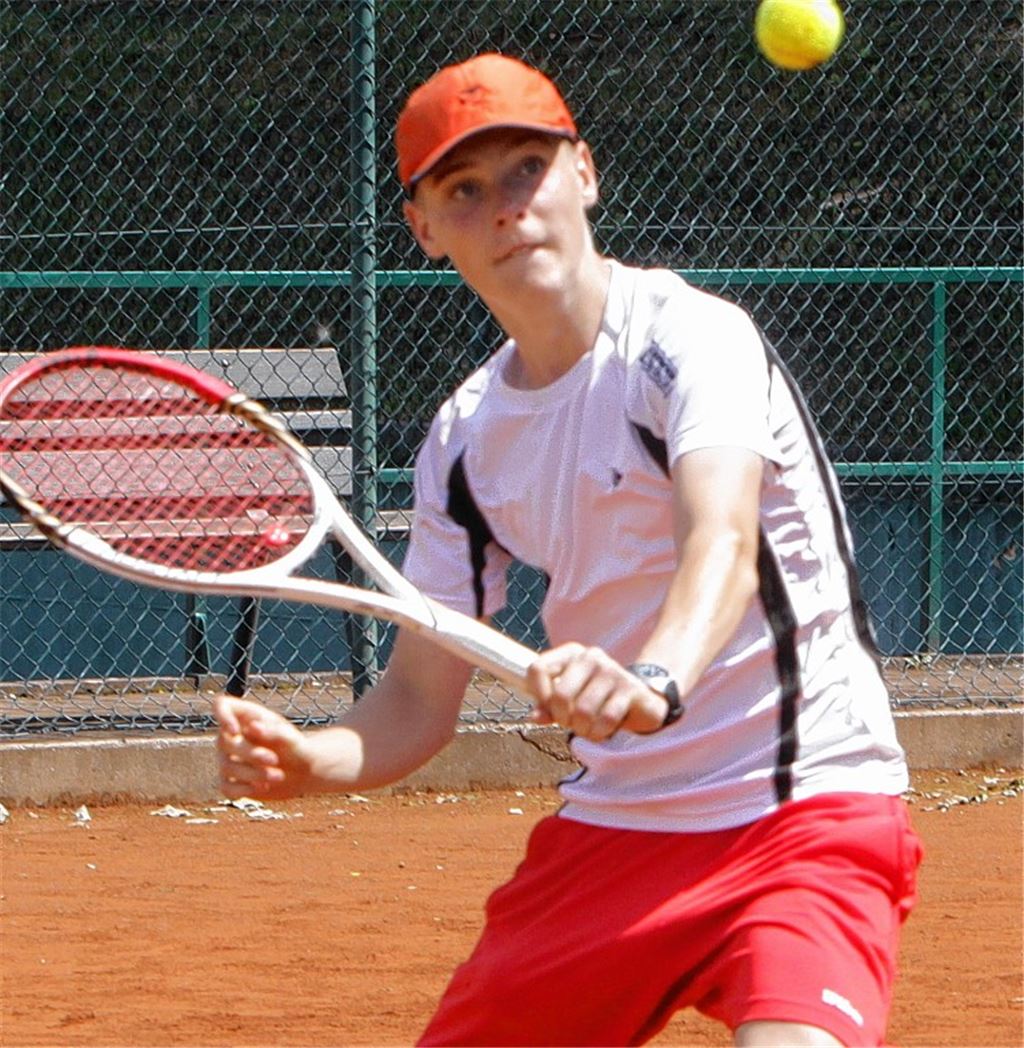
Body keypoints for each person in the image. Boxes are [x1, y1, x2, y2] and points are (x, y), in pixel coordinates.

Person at [214, 53, 923, 1047]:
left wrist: (652, 679)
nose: (505, 207)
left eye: (526, 170)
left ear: (583, 174)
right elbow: (420, 693)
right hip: (614, 838)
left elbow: (717, 538)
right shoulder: (464, 441)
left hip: (803, 810)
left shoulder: (692, 340)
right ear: (422, 228)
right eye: (464, 189)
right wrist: (314, 758)